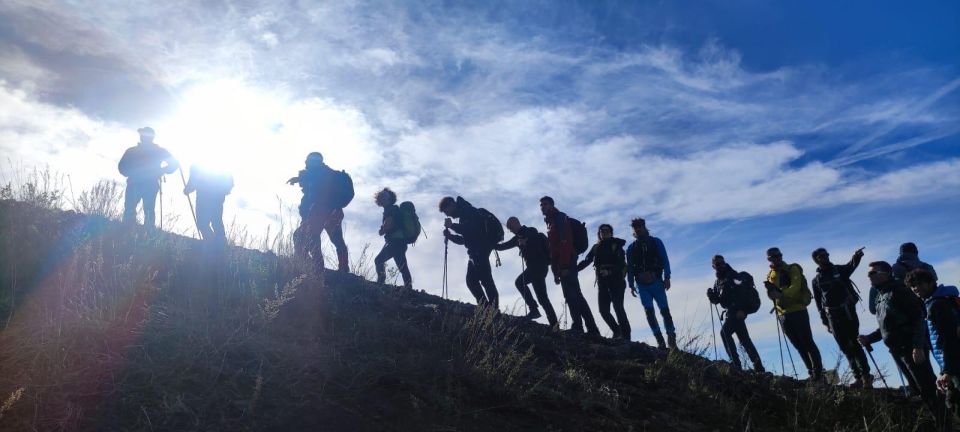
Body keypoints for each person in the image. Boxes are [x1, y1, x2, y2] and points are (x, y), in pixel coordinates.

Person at [859, 263, 947, 429]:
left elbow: (918, 319)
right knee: (918, 389)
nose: (869, 277)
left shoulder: (899, 291)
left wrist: (918, 347)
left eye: (873, 273)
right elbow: (888, 327)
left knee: (927, 388)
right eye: (869, 274)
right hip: (897, 350)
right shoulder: (881, 296)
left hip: (911, 348)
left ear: (885, 273)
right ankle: (935, 424)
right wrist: (869, 338)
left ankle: (944, 424)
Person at [811, 247, 872, 388]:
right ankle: (858, 377)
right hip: (832, 316)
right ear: (816, 260)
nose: (825, 257)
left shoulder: (839, 270)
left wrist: (857, 256)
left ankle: (866, 377)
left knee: (855, 343)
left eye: (826, 254)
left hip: (848, 312)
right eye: (821, 256)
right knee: (845, 347)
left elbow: (851, 266)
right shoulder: (816, 280)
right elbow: (818, 303)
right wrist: (825, 322)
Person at [540, 196, 599, 337]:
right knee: (576, 294)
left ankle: (578, 326)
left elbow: (565, 242)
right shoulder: (551, 221)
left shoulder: (560, 218)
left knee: (571, 294)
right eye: (541, 205)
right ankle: (591, 328)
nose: (542, 207)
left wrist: (565, 265)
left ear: (552, 205)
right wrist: (555, 270)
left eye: (545, 204)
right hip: (563, 263)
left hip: (567, 261)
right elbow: (554, 250)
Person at [907, 268, 959, 423]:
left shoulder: (937, 305)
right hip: (953, 364)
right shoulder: (946, 300)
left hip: (955, 365)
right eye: (913, 286)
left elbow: (948, 339)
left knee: (955, 403)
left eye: (920, 283)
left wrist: (947, 371)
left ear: (931, 282)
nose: (916, 288)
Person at [764, 247, 824, 381]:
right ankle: (812, 374)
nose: (777, 258)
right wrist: (772, 294)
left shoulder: (792, 269)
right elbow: (772, 295)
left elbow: (796, 287)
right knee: (798, 345)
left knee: (808, 342)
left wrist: (780, 294)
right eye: (773, 256)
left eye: (778, 255)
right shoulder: (770, 275)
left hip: (798, 310)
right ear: (769, 259)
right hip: (782, 314)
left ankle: (819, 375)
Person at [287, 152, 350, 272]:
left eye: (308, 160)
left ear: (315, 161)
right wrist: (299, 178)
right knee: (336, 240)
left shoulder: (321, 173)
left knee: (302, 236)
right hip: (332, 212)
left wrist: (300, 178)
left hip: (321, 212)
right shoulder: (322, 173)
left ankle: (315, 267)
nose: (305, 162)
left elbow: (314, 179)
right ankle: (343, 269)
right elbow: (312, 178)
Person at [495, 217, 558, 325]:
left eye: (510, 226)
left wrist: (524, 240)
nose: (510, 229)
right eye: (509, 227)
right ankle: (554, 324)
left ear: (516, 222)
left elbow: (532, 237)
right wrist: (491, 243)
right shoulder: (517, 239)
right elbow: (502, 247)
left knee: (519, 282)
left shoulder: (530, 230)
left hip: (538, 265)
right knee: (542, 298)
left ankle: (533, 310)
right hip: (536, 268)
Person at [440, 196, 499, 308]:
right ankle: (488, 309)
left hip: (480, 249)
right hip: (477, 250)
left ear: (451, 205)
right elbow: (465, 239)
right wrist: (451, 236)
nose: (448, 215)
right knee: (476, 281)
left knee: (483, 280)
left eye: (446, 211)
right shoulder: (465, 212)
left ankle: (491, 311)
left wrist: (452, 225)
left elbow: (469, 229)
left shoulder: (467, 210)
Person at [708, 255, 764, 372]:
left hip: (737, 312)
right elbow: (718, 300)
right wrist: (712, 297)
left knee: (725, 333)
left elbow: (742, 294)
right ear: (713, 266)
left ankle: (736, 364)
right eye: (718, 264)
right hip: (731, 312)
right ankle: (758, 367)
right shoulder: (718, 282)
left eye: (722, 263)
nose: (720, 265)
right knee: (744, 339)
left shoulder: (733, 275)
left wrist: (743, 310)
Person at [627, 218, 674, 349]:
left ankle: (671, 338)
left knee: (665, 311)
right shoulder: (631, 248)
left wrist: (667, 277)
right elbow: (630, 267)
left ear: (644, 226)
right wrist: (630, 284)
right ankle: (660, 340)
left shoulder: (656, 242)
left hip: (657, 282)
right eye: (635, 226)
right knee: (649, 312)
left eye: (640, 225)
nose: (638, 228)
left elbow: (665, 259)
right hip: (641, 285)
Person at [577, 224, 630, 340]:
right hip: (602, 282)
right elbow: (587, 260)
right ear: (599, 233)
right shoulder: (596, 247)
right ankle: (617, 331)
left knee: (618, 308)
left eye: (606, 231)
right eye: (602, 231)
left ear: (611, 232)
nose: (604, 232)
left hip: (617, 282)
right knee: (603, 310)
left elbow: (622, 264)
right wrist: (575, 269)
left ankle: (626, 336)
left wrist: (609, 272)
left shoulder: (617, 246)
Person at [118, 127, 179, 227]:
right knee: (147, 209)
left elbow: (122, 167)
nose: (142, 136)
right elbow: (174, 163)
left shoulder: (133, 151)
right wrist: (162, 171)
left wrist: (132, 173)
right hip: (147, 183)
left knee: (134, 208)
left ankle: (128, 229)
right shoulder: (158, 151)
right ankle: (147, 233)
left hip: (137, 182)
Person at [869, 242, 938, 314]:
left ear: (900, 254)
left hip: (906, 310)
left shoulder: (895, 268)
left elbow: (873, 309)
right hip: (929, 306)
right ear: (916, 252)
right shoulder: (928, 267)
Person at [373, 187, 412, 289]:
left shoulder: (390, 210)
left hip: (395, 242)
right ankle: (409, 288)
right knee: (402, 267)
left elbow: (389, 225)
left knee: (378, 260)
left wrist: (382, 230)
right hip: (400, 242)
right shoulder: (394, 209)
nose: (382, 199)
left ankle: (381, 282)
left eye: (383, 197)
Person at [183, 164, 233, 242]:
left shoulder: (196, 167)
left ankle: (211, 243)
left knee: (202, 223)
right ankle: (220, 244)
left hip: (204, 200)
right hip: (217, 199)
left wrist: (187, 190)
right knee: (216, 221)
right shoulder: (215, 166)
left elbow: (192, 183)